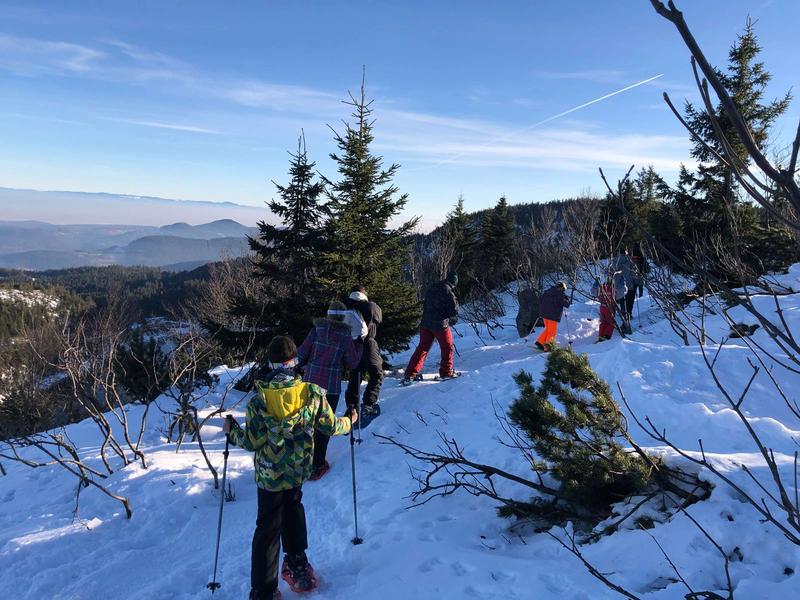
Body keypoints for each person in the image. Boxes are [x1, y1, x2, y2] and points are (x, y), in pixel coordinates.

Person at [223, 335, 357, 600]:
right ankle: (297, 565)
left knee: (268, 527)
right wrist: (350, 420)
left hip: (269, 476)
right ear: (295, 362)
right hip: (298, 470)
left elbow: (251, 441)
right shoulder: (312, 394)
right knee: (294, 507)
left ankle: (264, 590)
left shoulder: (259, 402)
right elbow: (332, 427)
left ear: (271, 364)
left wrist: (232, 431)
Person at [297, 301, 363, 480]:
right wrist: (359, 346)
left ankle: (302, 460)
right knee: (324, 424)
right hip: (330, 387)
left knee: (306, 422)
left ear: (327, 315)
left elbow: (301, 354)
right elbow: (352, 363)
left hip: (309, 383)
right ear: (343, 317)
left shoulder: (316, 331)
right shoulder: (344, 335)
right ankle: (317, 464)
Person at [402, 271, 459, 385]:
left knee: (422, 348)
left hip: (426, 323)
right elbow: (453, 311)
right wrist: (456, 306)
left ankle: (410, 373)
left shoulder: (433, 287)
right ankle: (446, 372)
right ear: (453, 283)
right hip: (440, 325)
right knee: (447, 347)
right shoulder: (448, 291)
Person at [344, 285, 384, 420]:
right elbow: (379, 318)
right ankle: (368, 405)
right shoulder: (371, 307)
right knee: (376, 374)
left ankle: (351, 408)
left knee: (355, 375)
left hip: (352, 345)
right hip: (368, 344)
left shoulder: (346, 308)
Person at [535, 281, 571, 351]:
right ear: (560, 288)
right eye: (563, 289)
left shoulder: (547, 291)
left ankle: (540, 342)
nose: (563, 290)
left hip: (544, 314)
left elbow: (540, 300)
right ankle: (548, 347)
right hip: (552, 315)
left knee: (548, 329)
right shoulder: (560, 295)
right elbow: (567, 304)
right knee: (552, 331)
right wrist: (566, 298)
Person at [614, 248, 642, 334]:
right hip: (629, 285)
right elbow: (634, 273)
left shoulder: (614, 260)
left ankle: (623, 318)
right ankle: (627, 320)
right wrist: (638, 283)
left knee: (623, 303)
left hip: (618, 285)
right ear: (626, 253)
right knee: (629, 302)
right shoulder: (630, 260)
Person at [591, 274, 616, 342]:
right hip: (610, 307)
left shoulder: (601, 287)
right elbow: (621, 294)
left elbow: (593, 292)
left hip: (602, 307)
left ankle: (601, 335)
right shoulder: (613, 288)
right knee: (611, 322)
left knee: (603, 322)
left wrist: (596, 283)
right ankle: (606, 335)